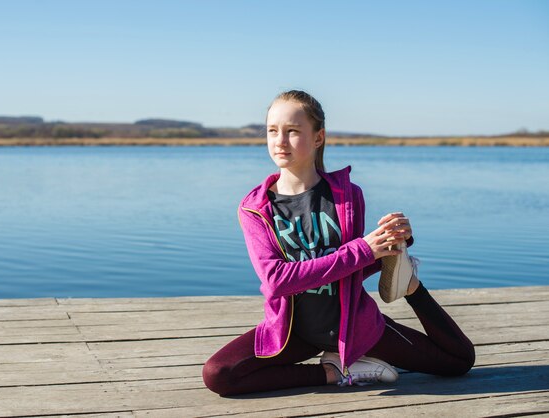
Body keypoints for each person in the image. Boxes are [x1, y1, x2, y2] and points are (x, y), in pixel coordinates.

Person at [202, 90, 475, 396]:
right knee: (219, 375)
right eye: (272, 131)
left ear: (318, 138)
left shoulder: (346, 196)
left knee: (459, 360)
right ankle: (335, 372)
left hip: (355, 328)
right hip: (293, 332)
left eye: (293, 131)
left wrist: (391, 242)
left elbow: (350, 267)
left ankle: (410, 284)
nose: (280, 141)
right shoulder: (255, 209)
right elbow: (276, 280)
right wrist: (364, 249)